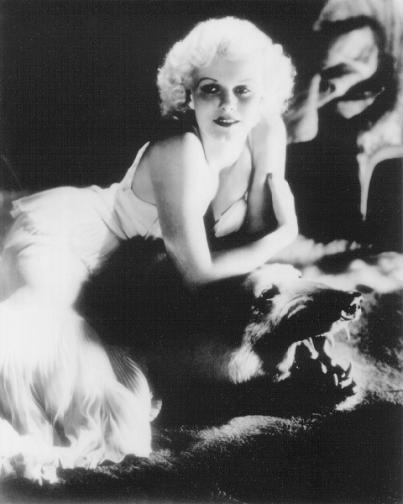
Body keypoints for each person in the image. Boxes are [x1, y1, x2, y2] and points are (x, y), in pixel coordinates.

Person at [0, 17, 298, 472]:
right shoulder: (180, 151)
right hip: (66, 240)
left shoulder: (264, 130)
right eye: (211, 89)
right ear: (188, 94)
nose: (227, 105)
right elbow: (198, 271)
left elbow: (253, 227)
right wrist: (285, 235)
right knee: (52, 350)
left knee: (117, 397)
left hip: (116, 271)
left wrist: (267, 231)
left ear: (263, 96)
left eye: (243, 91)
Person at [285, 14, 401, 246]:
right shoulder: (309, 84)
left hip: (343, 221)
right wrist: (325, 75)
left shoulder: (378, 87)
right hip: (308, 217)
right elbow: (299, 129)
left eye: (364, 53)